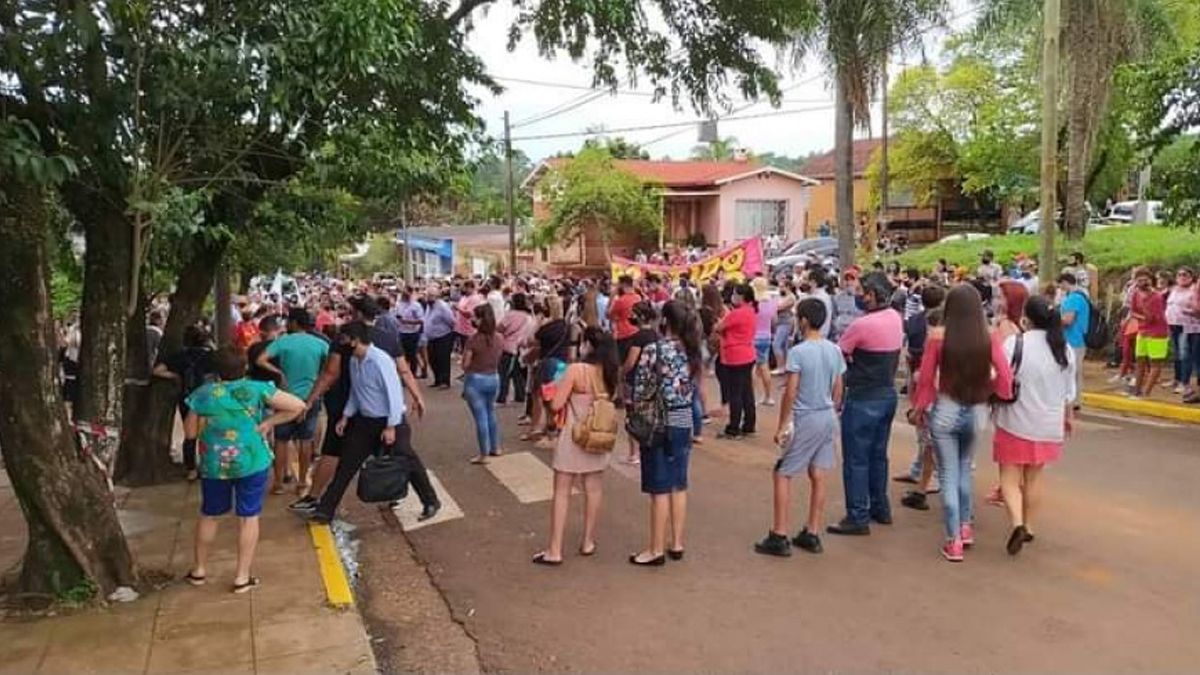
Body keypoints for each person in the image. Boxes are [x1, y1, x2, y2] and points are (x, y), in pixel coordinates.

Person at [182, 347, 306, 593]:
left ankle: (199, 570)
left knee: (210, 514)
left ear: (216, 372)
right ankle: (241, 576)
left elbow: (190, 434)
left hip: (214, 465)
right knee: (248, 517)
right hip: (252, 461)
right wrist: (269, 422)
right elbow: (297, 406)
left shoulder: (202, 394)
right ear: (245, 368)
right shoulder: (257, 389)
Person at [912, 284, 1013, 562]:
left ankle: (953, 539)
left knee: (948, 474)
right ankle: (966, 528)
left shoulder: (937, 337)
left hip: (946, 407)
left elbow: (925, 379)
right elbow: (1004, 374)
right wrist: (996, 392)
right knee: (965, 469)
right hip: (977, 408)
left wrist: (919, 408)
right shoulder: (988, 335)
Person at [306, 322, 440, 524]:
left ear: (355, 340)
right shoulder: (354, 361)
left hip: (388, 421)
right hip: (364, 422)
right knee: (347, 465)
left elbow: (394, 395)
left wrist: (391, 426)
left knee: (408, 461)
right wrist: (346, 415)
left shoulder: (380, 361)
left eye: (344, 339)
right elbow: (357, 393)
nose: (340, 343)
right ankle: (325, 510)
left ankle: (430, 501)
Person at [755, 298, 845, 557]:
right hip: (827, 414)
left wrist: (783, 424)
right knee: (818, 473)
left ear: (804, 321)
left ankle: (779, 533)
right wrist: (833, 408)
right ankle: (812, 531)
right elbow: (838, 386)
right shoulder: (833, 349)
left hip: (807, 416)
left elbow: (791, 392)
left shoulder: (799, 352)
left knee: (782, 472)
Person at [993, 296, 1076, 556]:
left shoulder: (1015, 343)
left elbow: (1000, 377)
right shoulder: (1065, 349)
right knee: (1035, 476)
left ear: (1026, 318)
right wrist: (1068, 417)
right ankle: (1029, 525)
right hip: (1048, 422)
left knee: (1009, 477)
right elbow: (1068, 392)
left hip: (1015, 420)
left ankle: (1017, 522)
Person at [532, 327, 618, 566]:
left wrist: (549, 393)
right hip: (598, 437)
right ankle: (588, 541)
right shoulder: (610, 373)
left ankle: (555, 548)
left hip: (573, 436)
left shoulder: (576, 370)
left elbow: (557, 403)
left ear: (588, 345)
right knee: (593, 488)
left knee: (562, 492)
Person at [828, 273, 903, 536]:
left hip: (862, 397)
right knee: (878, 455)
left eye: (862, 291)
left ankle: (857, 515)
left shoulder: (861, 325)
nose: (858, 295)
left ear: (872, 294)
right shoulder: (895, 317)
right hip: (887, 395)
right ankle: (880, 507)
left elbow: (839, 356)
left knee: (856, 459)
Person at [629, 301, 700, 566]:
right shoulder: (692, 350)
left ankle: (655, 549)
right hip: (684, 420)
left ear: (665, 321)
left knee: (659, 488)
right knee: (678, 483)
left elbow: (640, 390)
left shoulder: (653, 350)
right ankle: (677, 543)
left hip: (658, 421)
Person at [256, 308, 329, 495]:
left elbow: (260, 360)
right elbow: (330, 368)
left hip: (285, 398)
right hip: (310, 398)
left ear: (295, 323)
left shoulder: (283, 342)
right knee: (306, 440)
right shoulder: (320, 343)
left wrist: (279, 373)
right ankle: (303, 481)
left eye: (289, 321)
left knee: (281, 440)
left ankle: (279, 483)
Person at [153, 324, 217, 481]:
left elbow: (157, 371)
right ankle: (207, 465)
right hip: (208, 398)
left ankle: (191, 469)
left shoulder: (179, 356)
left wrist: (174, 376)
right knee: (207, 433)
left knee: (190, 435)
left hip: (187, 397)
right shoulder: (210, 356)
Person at [462, 304, 504, 464]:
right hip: (493, 377)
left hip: (475, 380)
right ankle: (495, 447)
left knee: (480, 417)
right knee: (491, 413)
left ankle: (483, 454)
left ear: (480, 320)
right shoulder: (499, 338)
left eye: (475, 317)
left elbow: (466, 364)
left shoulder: (473, 340)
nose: (472, 319)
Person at [715, 283, 757, 439]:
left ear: (741, 296)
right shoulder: (751, 311)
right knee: (747, 392)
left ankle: (734, 427)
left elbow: (718, 328)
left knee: (735, 394)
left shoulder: (736, 314)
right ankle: (749, 425)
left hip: (735, 356)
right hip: (748, 354)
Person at [1129, 268, 1169, 398]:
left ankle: (1146, 392)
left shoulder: (1156, 297)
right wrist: (1142, 317)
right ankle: (1137, 390)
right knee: (1139, 360)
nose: (1143, 283)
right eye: (1139, 280)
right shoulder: (1136, 293)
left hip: (1157, 333)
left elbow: (1153, 318)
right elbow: (1133, 311)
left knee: (1155, 363)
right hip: (1143, 331)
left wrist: (1143, 313)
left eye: (1145, 280)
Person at [1057, 273, 1091, 409]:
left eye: (1060, 284)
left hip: (1073, 339)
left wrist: (1052, 320)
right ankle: (1075, 400)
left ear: (1065, 282)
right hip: (1077, 339)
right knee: (1075, 371)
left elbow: (1068, 320)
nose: (1060, 288)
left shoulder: (1073, 298)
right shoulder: (1080, 297)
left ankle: (1073, 400)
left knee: (1071, 371)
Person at [497, 292, 535, 405]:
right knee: (517, 373)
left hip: (509, 346)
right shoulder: (528, 316)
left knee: (504, 373)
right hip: (522, 347)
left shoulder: (510, 315)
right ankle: (520, 395)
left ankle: (502, 397)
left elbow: (500, 328)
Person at [751, 277, 777, 406]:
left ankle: (752, 397)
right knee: (764, 366)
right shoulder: (771, 302)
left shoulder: (753, 303)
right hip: (766, 336)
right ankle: (768, 396)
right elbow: (774, 320)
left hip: (752, 337)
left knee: (753, 368)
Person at [424, 288, 457, 389]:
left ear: (436, 296)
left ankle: (445, 381)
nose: (428, 298)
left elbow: (451, 321)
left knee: (442, 359)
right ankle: (437, 380)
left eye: (431, 296)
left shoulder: (442, 307)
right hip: (432, 337)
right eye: (428, 295)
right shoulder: (429, 306)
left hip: (443, 336)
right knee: (432, 359)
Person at [396, 289, 426, 378]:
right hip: (401, 332)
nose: (404, 297)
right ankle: (404, 374)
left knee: (413, 354)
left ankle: (413, 373)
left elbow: (421, 320)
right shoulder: (399, 304)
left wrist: (407, 322)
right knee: (403, 355)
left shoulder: (416, 306)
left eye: (406, 295)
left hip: (413, 333)